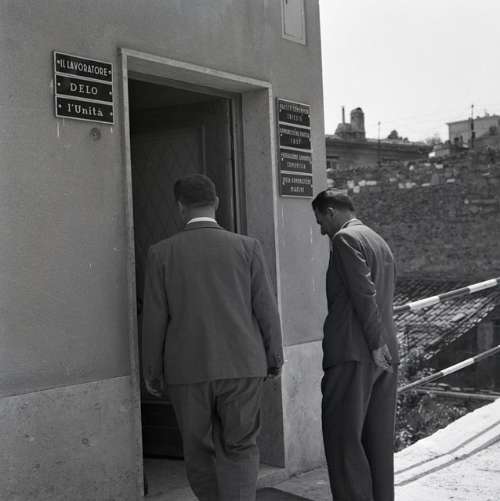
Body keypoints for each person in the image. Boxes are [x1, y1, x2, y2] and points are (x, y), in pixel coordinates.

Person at [141, 174, 283, 501]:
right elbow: (266, 308)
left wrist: (153, 371)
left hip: (187, 370)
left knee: (197, 450)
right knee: (241, 446)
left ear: (180, 207)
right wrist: (274, 356)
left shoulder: (161, 253)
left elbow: (154, 319)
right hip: (243, 365)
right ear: (216, 202)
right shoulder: (247, 247)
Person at [312, 190, 399, 501]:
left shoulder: (345, 239)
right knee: (378, 441)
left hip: (355, 351)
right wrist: (380, 343)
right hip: (385, 353)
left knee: (343, 440)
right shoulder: (378, 240)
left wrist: (374, 343)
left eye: (320, 221)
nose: (321, 230)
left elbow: (364, 293)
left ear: (331, 211)